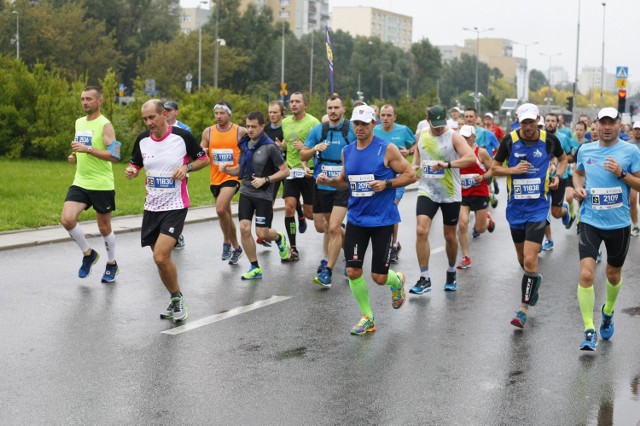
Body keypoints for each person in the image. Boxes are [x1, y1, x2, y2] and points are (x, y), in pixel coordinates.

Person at [316, 105, 416, 335]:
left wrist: (387, 184)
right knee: (353, 271)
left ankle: (396, 281)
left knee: (379, 278)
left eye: (364, 124)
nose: (359, 128)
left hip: (382, 221)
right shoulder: (348, 151)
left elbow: (411, 175)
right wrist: (329, 182)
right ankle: (367, 317)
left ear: (373, 124)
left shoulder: (387, 149)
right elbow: (345, 181)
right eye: (356, 124)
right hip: (357, 220)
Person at [125, 99, 209, 323]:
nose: (149, 122)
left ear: (163, 114)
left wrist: (186, 167)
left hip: (176, 205)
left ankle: (178, 300)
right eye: (145, 119)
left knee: (160, 256)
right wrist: (132, 171)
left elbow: (204, 159)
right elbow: (136, 163)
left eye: (152, 117)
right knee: (162, 260)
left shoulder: (181, 137)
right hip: (151, 206)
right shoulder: (142, 140)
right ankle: (175, 297)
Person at [490, 103, 567, 329]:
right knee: (523, 260)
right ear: (518, 121)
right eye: (524, 122)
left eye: (531, 122)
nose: (528, 126)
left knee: (531, 258)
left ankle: (523, 309)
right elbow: (494, 168)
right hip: (516, 208)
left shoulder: (549, 140)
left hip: (538, 208)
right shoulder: (509, 140)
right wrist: (512, 170)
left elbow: (563, 159)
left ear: (538, 120)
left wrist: (558, 177)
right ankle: (534, 281)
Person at [572, 107, 640, 350]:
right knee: (587, 275)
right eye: (604, 122)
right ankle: (589, 329)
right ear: (597, 125)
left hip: (619, 224)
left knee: (613, 274)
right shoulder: (585, 149)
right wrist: (578, 188)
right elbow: (578, 174)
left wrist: (621, 173)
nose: (607, 126)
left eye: (612, 122)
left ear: (619, 125)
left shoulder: (631, 151)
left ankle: (608, 311)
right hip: (590, 220)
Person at [410, 105, 476, 294]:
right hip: (427, 190)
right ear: (428, 120)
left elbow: (470, 157)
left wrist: (447, 165)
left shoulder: (453, 136)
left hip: (450, 193)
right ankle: (424, 278)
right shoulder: (423, 133)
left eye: (442, 124)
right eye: (435, 125)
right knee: (421, 230)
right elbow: (418, 153)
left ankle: (451, 271)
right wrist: (414, 166)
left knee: (449, 235)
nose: (439, 129)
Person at [220, 111, 291, 279]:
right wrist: (227, 170)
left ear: (262, 127)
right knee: (244, 228)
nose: (250, 130)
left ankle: (279, 238)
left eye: (254, 126)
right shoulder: (244, 144)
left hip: (263, 196)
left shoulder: (270, 147)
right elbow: (240, 170)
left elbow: (285, 171)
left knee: (262, 234)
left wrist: (265, 180)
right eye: (248, 126)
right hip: (246, 192)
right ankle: (255, 267)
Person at [61, 86, 120, 283]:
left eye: (89, 99)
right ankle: (89, 254)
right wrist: (75, 156)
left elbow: (116, 155)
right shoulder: (79, 122)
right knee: (67, 219)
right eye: (82, 99)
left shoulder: (106, 125)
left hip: (102, 184)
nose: (85, 102)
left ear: (99, 101)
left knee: (104, 227)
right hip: (81, 182)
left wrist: (86, 149)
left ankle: (111, 263)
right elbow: (81, 148)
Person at [300, 95, 355, 287]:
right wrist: (315, 148)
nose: (333, 111)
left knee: (332, 227)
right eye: (329, 107)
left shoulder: (351, 130)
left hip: (341, 183)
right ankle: (349, 249)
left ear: (343, 109)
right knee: (325, 226)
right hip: (322, 183)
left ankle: (328, 271)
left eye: (336, 107)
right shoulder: (319, 130)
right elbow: (303, 154)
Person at [201, 101, 246, 265]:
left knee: (220, 209)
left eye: (222, 113)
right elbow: (201, 152)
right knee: (225, 214)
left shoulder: (240, 131)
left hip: (232, 176)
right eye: (216, 113)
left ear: (229, 114)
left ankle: (226, 242)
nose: (219, 116)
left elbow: (253, 145)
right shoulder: (208, 132)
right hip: (216, 178)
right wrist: (202, 152)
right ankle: (236, 247)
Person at [374, 104, 417, 263]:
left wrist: (409, 152)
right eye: (383, 115)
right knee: (382, 209)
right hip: (379, 177)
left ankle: (392, 245)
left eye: (388, 115)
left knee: (390, 206)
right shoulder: (375, 130)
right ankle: (387, 242)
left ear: (394, 117)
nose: (385, 118)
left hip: (398, 177)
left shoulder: (403, 130)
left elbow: (416, 144)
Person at [281, 91, 320, 261]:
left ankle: (336, 227)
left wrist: (305, 147)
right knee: (289, 208)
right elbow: (286, 143)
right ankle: (293, 248)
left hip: (308, 172)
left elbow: (320, 147)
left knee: (311, 213)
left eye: (297, 101)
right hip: (291, 171)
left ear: (305, 104)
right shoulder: (285, 122)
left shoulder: (313, 123)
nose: (294, 104)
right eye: (291, 101)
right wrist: (280, 146)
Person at [456, 125, 495, 269]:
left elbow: (493, 170)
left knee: (480, 229)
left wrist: (483, 177)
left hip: (480, 193)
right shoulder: (456, 153)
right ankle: (466, 257)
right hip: (463, 193)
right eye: (462, 137)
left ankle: (487, 220)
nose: (464, 140)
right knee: (462, 223)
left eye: (467, 137)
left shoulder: (481, 152)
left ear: (474, 137)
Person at [540, 113, 573, 251]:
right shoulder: (539, 138)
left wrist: (557, 161)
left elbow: (570, 156)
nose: (550, 123)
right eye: (547, 121)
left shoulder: (563, 138)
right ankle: (548, 239)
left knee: (555, 213)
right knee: (543, 212)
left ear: (557, 123)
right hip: (542, 179)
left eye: (553, 121)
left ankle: (564, 211)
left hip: (560, 177)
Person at [164, 100, 192, 250]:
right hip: (160, 174)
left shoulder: (184, 129)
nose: (166, 113)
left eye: (169, 110)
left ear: (176, 112)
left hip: (179, 174)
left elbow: (190, 151)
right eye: (164, 110)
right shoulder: (159, 126)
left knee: (177, 206)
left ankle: (178, 234)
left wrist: (184, 168)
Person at [626, 122, 640, 236]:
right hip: (633, 176)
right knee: (632, 200)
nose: (638, 131)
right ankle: (635, 225)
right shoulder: (628, 144)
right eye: (636, 129)